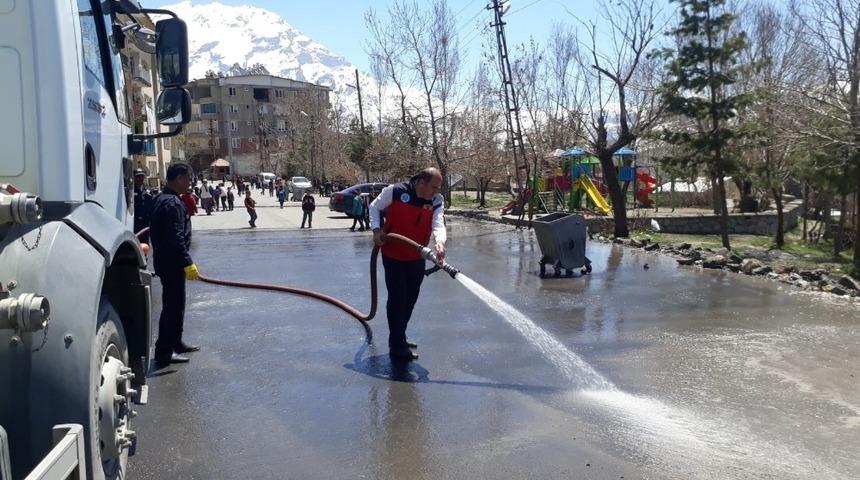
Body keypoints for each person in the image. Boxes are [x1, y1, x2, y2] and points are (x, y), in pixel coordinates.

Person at [370, 168, 446, 361]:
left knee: (410, 299)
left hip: (417, 256)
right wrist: (377, 230)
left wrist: (440, 241)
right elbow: (374, 207)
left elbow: (438, 223)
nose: (436, 191)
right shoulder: (395, 191)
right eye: (434, 187)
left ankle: (399, 335)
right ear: (421, 182)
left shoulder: (436, 201)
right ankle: (396, 345)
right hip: (393, 254)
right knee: (398, 298)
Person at [149, 163, 201, 368]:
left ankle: (176, 343)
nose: (190, 182)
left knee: (177, 305)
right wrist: (187, 262)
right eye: (188, 178)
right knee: (172, 308)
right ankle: (164, 353)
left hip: (167, 261)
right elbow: (175, 236)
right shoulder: (171, 203)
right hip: (172, 263)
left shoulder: (164, 199)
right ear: (179, 178)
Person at [133, 168, 153, 243]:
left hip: (146, 221)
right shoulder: (131, 189)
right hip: (135, 222)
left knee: (145, 244)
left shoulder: (147, 189)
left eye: (142, 176)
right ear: (134, 177)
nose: (140, 178)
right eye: (138, 176)